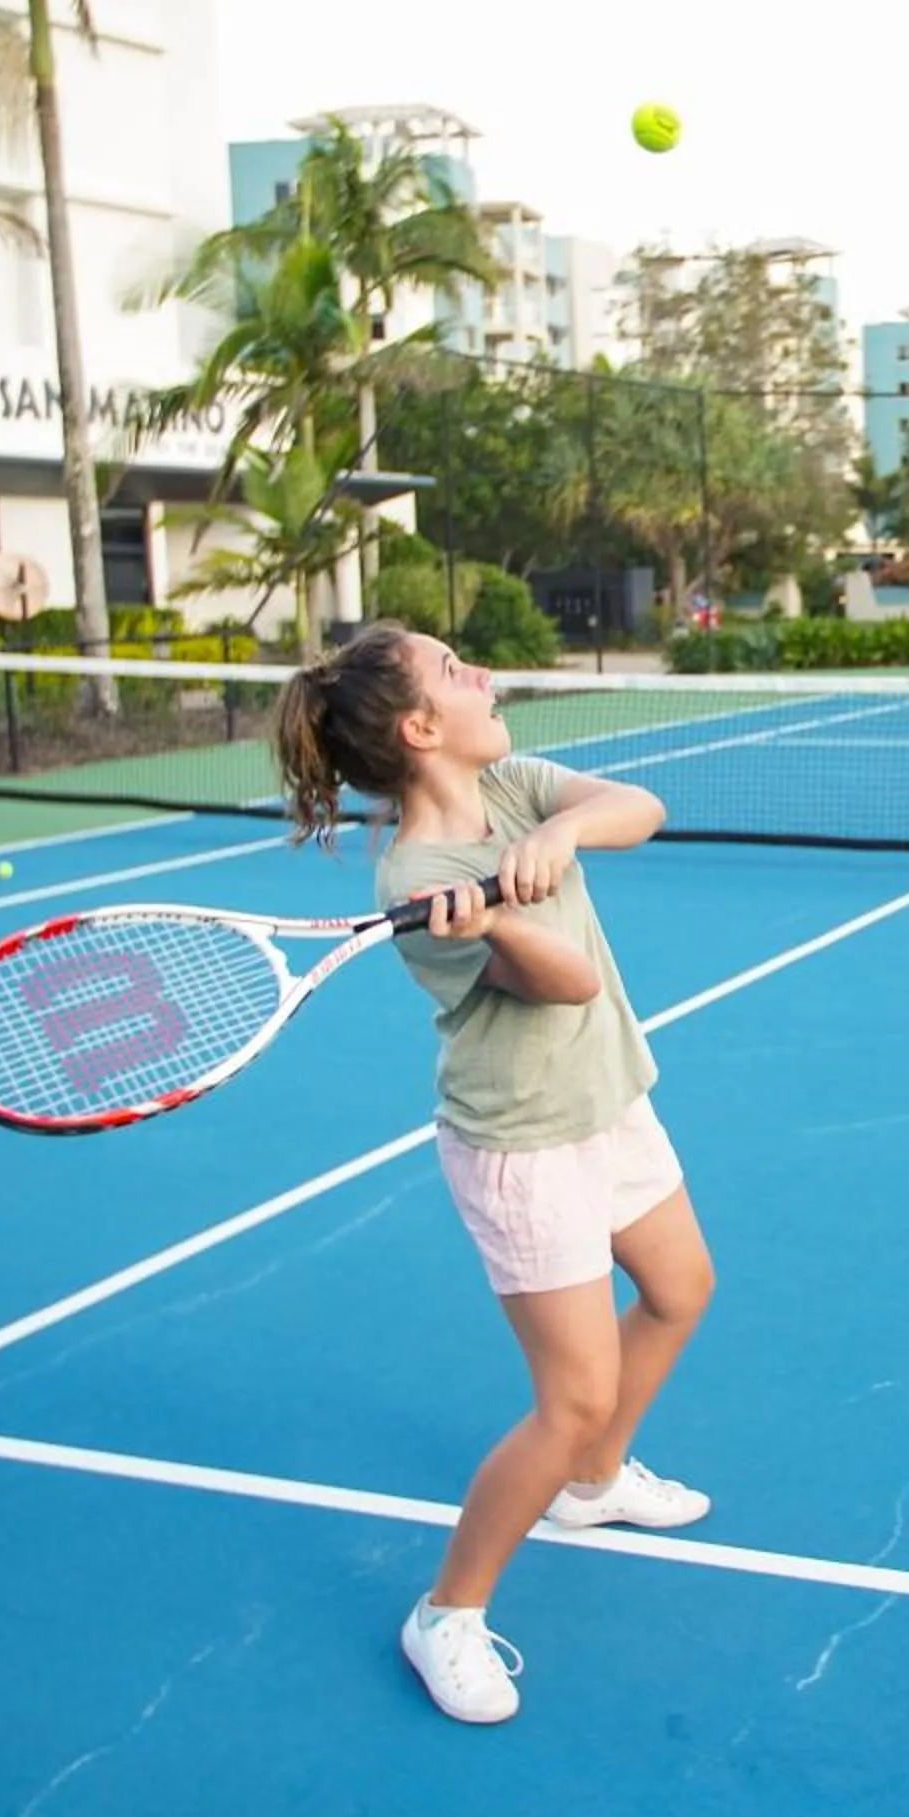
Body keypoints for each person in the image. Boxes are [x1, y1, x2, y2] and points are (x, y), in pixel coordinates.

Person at [270, 621, 716, 1727]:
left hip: (608, 1101)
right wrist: (504, 918)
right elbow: (562, 981)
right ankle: (448, 1612)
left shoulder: (513, 781)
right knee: (571, 1397)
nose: (486, 675)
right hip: (523, 1147)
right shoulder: (420, 880)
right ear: (422, 726)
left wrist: (560, 834)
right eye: (457, 671)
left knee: (680, 1289)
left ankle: (594, 1483)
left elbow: (640, 807)